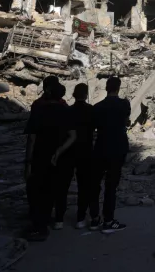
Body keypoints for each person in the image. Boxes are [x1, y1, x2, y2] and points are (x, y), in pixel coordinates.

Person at [23, 77, 72, 241]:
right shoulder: (65, 109)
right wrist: (59, 151)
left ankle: (39, 226)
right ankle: (47, 220)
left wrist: (27, 162)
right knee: (50, 190)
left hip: (39, 155)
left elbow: (32, 137)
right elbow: (72, 135)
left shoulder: (38, 108)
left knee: (35, 190)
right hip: (57, 158)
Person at [90, 76, 131, 233]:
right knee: (111, 186)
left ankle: (94, 219)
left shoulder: (97, 107)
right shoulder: (124, 104)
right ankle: (108, 220)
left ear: (106, 88)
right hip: (118, 148)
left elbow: (93, 127)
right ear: (118, 88)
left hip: (100, 148)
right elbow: (127, 121)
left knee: (95, 185)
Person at [58, 83, 97, 229]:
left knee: (63, 185)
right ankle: (80, 218)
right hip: (86, 151)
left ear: (74, 94)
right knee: (84, 186)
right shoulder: (91, 110)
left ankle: (59, 219)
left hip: (69, 152)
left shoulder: (68, 111)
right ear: (86, 95)